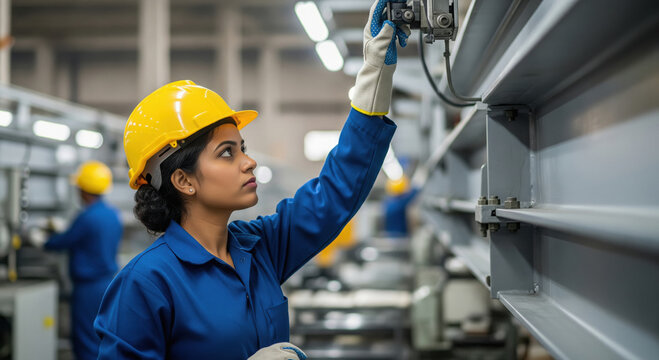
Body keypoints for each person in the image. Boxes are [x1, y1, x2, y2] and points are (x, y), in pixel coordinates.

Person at [93, 1, 410, 358]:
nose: (250, 162)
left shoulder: (258, 249)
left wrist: (373, 76)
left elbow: (335, 194)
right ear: (184, 180)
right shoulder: (146, 282)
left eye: (242, 148)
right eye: (227, 153)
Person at [43, 160, 122, 360]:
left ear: (84, 190)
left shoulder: (86, 217)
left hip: (88, 288)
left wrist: (44, 240)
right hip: (109, 284)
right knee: (103, 336)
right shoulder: (113, 215)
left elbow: (63, 241)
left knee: (85, 340)